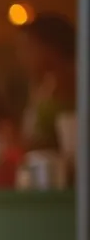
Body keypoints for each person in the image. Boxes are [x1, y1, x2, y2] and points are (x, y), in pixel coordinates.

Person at [16, 13, 77, 151]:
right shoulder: (42, 87)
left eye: (28, 48)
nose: (22, 57)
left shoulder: (76, 85)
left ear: (50, 48)